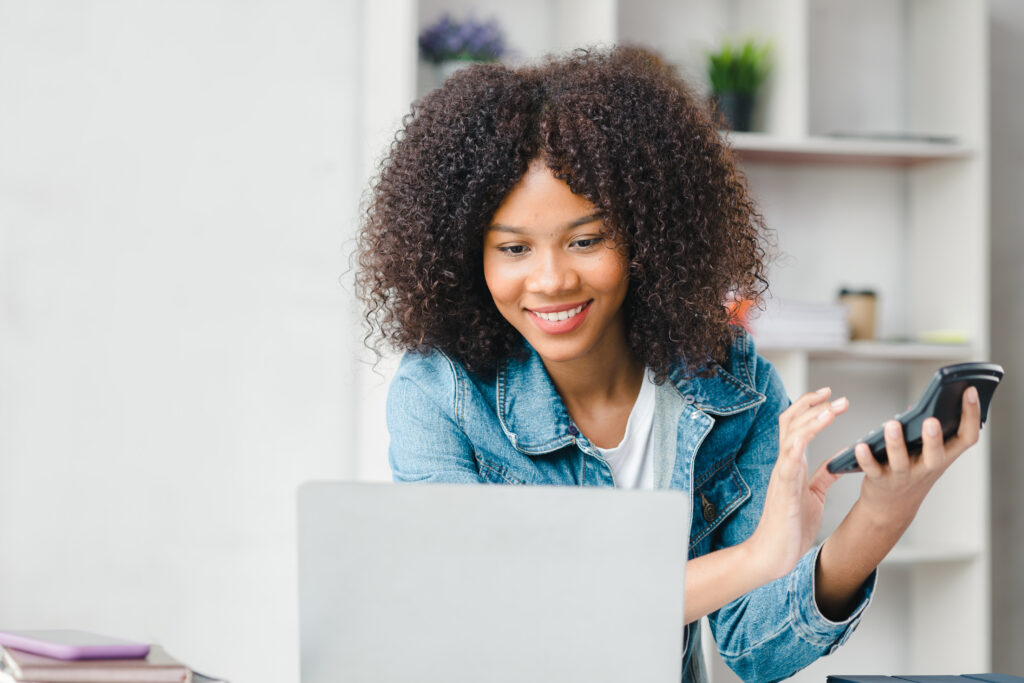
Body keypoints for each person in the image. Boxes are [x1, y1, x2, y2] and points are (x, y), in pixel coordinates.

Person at [356, 46, 981, 682]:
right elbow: (500, 615)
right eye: (513, 248)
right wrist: (760, 556)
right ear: (465, 256)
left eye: (587, 240)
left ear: (647, 234)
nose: (550, 280)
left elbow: (757, 649)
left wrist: (882, 512)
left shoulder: (730, 385)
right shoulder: (441, 394)